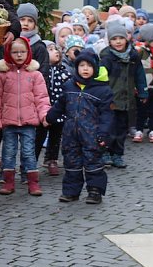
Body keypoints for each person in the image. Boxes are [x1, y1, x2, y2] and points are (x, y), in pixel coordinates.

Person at [46, 49, 113, 205]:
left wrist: (103, 133)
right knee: (71, 161)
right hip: (71, 133)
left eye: (89, 66)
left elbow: (107, 115)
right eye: (82, 65)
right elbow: (60, 105)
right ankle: (71, 191)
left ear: (95, 68)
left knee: (93, 162)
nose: (85, 69)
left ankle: (95, 191)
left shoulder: (103, 90)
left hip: (92, 134)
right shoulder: (69, 85)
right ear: (76, 67)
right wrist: (50, 117)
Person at [0, 38, 51, 196]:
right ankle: (8, 181)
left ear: (28, 53)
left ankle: (32, 182)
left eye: (22, 52)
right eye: (15, 52)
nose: (19, 55)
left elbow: (42, 98)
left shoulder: (35, 75)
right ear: (8, 54)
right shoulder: (1, 76)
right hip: (9, 123)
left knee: (28, 152)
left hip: (29, 122)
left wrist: (44, 116)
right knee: (8, 152)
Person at [98, 21, 147, 169]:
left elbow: (140, 75)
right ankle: (105, 152)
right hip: (110, 100)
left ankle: (117, 154)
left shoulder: (133, 56)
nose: (118, 41)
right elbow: (101, 78)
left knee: (122, 129)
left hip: (126, 99)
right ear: (109, 41)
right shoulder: (106, 57)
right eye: (114, 39)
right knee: (108, 128)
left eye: (120, 38)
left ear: (127, 38)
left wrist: (143, 91)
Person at [40, 41, 72, 176]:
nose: (56, 51)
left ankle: (52, 159)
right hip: (43, 108)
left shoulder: (63, 70)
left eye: (56, 49)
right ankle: (30, 162)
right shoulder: (41, 71)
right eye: (51, 49)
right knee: (39, 135)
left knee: (56, 136)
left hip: (59, 110)